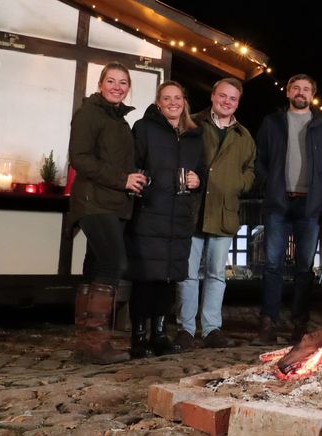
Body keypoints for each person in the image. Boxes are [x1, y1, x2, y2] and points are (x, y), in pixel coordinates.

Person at [68, 62, 145, 364]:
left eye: (122, 82)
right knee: (114, 262)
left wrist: (132, 177)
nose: (117, 86)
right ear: (100, 84)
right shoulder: (90, 113)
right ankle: (98, 343)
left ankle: (86, 345)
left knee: (95, 265)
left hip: (112, 202)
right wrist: (122, 179)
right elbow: (79, 158)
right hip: (94, 201)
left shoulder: (118, 119)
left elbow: (114, 160)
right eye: (111, 81)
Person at [252, 74, 322, 345]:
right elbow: (260, 158)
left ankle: (300, 323)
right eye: (296, 88)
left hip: (309, 204)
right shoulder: (272, 122)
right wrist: (269, 183)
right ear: (288, 92)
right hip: (278, 202)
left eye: (306, 89)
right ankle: (268, 322)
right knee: (272, 265)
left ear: (312, 94)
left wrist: (321, 186)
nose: (301, 92)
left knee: (304, 268)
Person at [176, 78, 256, 350]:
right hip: (195, 209)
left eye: (233, 99)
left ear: (238, 102)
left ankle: (211, 329)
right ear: (213, 96)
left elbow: (251, 170)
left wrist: (239, 183)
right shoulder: (194, 123)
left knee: (216, 274)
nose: (227, 102)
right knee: (187, 273)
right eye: (223, 96)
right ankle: (186, 329)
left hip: (224, 212)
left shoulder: (244, 136)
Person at [126, 81, 204, 358]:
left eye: (178, 97)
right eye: (167, 98)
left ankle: (159, 334)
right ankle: (138, 336)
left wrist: (198, 180)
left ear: (185, 102)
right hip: (150, 211)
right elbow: (133, 163)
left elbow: (202, 171)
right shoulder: (144, 128)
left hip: (179, 216)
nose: (173, 103)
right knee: (145, 277)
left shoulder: (195, 134)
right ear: (158, 103)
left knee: (169, 279)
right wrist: (145, 180)